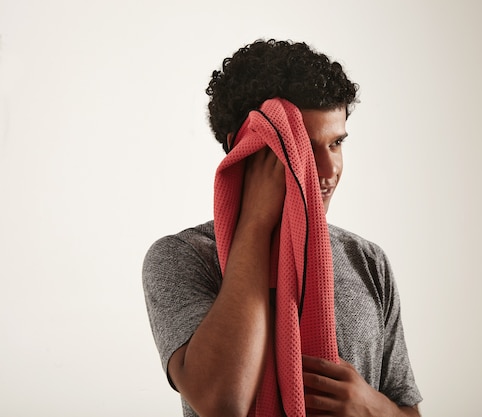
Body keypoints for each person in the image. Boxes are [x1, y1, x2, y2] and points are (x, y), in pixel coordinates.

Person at [143, 38, 422, 417]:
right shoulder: (183, 257)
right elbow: (223, 402)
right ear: (246, 149)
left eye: (337, 143)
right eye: (304, 148)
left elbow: (408, 412)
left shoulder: (367, 260)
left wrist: (372, 407)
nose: (328, 171)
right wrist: (256, 223)